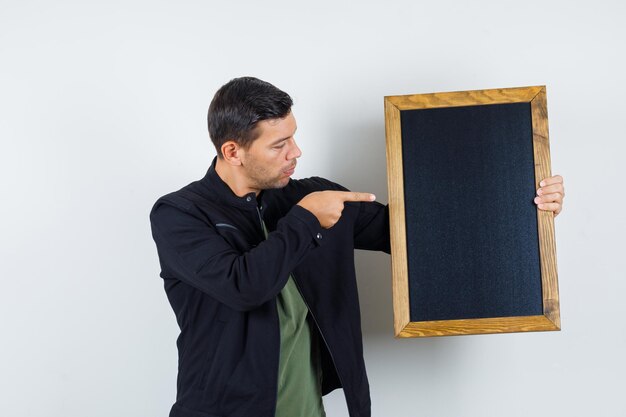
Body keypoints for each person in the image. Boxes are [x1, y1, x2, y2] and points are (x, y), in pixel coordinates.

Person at [149, 77, 565, 417]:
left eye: (293, 137)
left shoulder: (314, 196)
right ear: (232, 152)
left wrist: (524, 202)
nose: (296, 153)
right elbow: (244, 286)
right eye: (278, 145)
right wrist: (307, 219)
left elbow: (422, 236)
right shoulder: (179, 214)